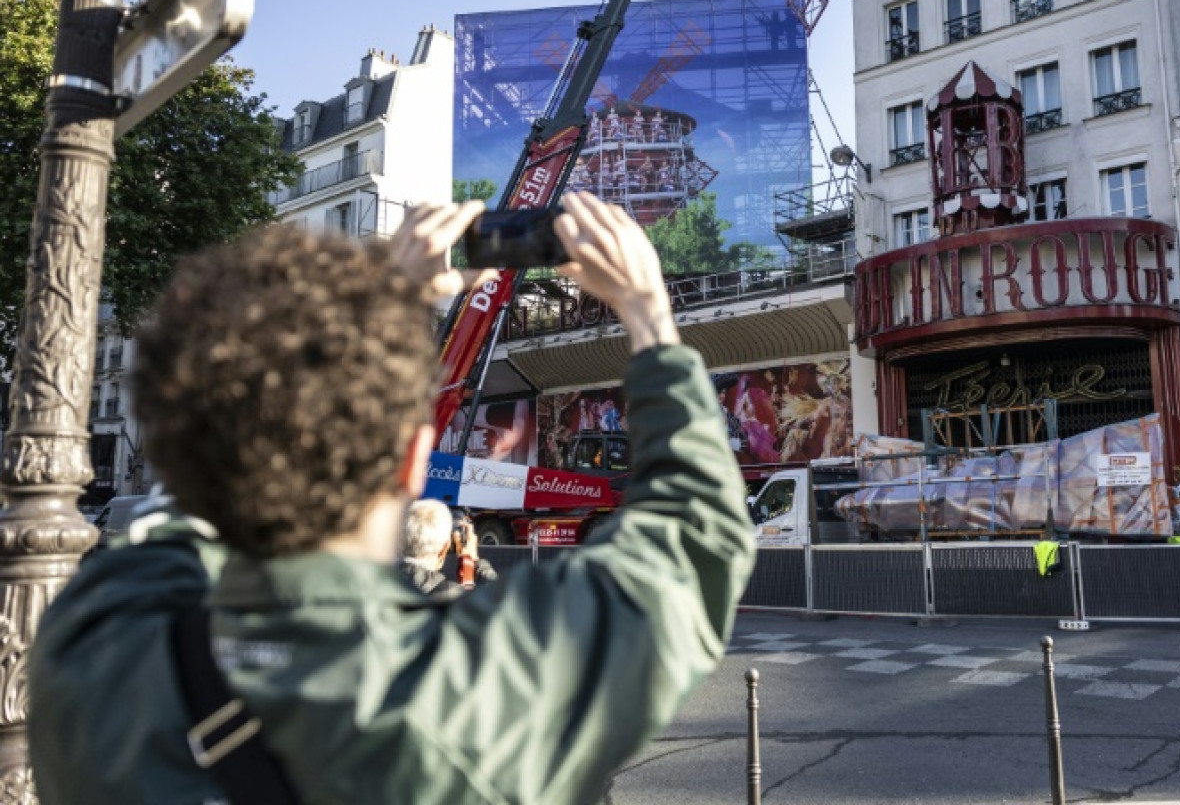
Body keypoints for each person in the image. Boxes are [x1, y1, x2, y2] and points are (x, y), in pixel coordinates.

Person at [28, 191, 755, 803]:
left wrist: (380, 309)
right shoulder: (467, 694)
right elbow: (692, 544)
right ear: (416, 457)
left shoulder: (93, 643)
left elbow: (192, 505)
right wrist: (650, 315)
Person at [400, 501, 496, 597]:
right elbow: (498, 600)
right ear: (443, 550)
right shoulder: (454, 596)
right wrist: (474, 561)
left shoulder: (386, 584)